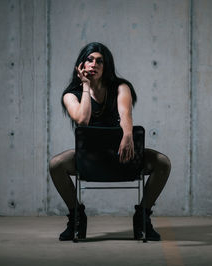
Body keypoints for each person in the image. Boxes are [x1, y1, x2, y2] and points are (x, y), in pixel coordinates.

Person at [49, 42, 171, 241]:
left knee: (163, 162)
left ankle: (143, 217)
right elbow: (82, 120)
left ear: (106, 67)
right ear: (81, 64)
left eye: (99, 61)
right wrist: (86, 87)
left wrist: (128, 135)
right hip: (90, 158)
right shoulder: (70, 95)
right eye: (89, 59)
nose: (94, 64)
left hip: (122, 154)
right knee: (56, 164)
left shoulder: (121, 87)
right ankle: (76, 217)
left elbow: (125, 113)